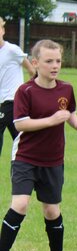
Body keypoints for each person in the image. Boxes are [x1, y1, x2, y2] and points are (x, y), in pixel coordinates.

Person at [0, 40, 77, 251]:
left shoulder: (66, 89)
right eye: (49, 61)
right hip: (25, 158)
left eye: (58, 60)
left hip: (53, 160)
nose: (54, 65)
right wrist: (51, 120)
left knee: (51, 210)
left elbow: (70, 114)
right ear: (35, 63)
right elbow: (19, 124)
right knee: (20, 205)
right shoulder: (25, 91)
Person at [0, 17, 35, 157]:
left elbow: (31, 70)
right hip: (2, 101)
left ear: (2, 30)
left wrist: (27, 90)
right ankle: (28, 158)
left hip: (13, 99)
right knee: (19, 135)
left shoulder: (12, 50)